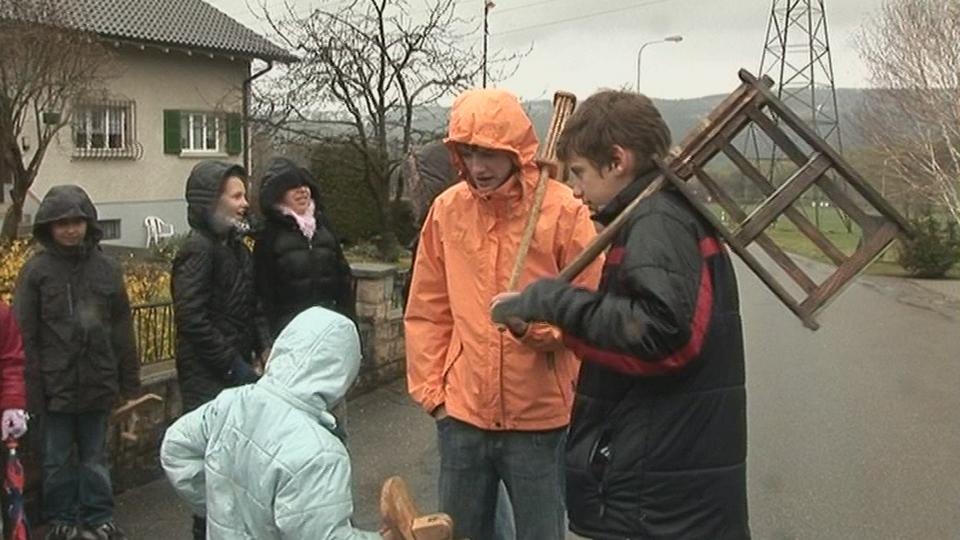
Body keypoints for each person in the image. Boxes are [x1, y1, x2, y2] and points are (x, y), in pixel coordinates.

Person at [491, 90, 750, 539]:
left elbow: (662, 337)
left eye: (581, 173)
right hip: (670, 489)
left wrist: (556, 303)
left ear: (617, 160)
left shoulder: (657, 221)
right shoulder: (660, 213)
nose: (574, 189)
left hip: (657, 500)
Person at [404, 88, 603, 540]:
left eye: (491, 153)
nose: (479, 166)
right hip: (462, 416)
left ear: (517, 151)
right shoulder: (447, 211)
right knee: (461, 534)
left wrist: (536, 328)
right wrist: (436, 397)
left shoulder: (563, 212)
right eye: (469, 152)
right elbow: (428, 311)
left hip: (539, 418)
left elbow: (586, 307)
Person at [160, 307, 390, 540]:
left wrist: (221, 508)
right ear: (342, 368)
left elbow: (176, 447)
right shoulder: (320, 454)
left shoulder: (232, 402)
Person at [14, 185, 140, 540]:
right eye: (61, 223)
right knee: (55, 459)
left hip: (99, 382)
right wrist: (30, 392)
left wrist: (130, 384)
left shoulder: (107, 270)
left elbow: (122, 329)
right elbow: (25, 336)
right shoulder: (36, 273)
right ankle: (62, 519)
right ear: (49, 228)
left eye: (77, 222)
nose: (70, 229)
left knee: (95, 457)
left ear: (88, 223)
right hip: (55, 387)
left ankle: (98, 515)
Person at [171, 161, 271, 539]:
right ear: (211, 201)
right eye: (237, 195)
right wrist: (231, 365)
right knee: (215, 475)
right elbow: (192, 319)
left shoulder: (236, 249)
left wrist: (262, 348)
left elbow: (252, 305)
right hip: (207, 380)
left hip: (234, 374)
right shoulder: (198, 250)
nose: (245, 203)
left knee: (236, 471)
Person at [254, 157, 355, 337]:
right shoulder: (269, 234)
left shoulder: (324, 227)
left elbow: (344, 282)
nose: (302, 191)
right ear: (278, 194)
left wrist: (351, 329)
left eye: (305, 185)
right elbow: (261, 295)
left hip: (329, 329)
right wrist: (267, 342)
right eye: (293, 187)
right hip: (289, 333)